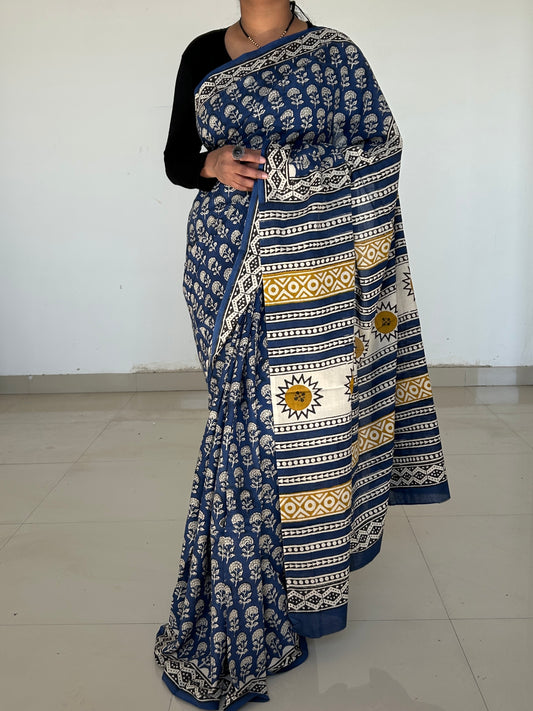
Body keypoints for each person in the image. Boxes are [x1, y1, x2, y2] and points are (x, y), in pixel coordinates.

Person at [154, 2, 451, 709]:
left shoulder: (335, 55)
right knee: (241, 432)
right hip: (226, 264)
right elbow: (176, 161)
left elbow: (380, 148)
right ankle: (247, 594)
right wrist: (208, 163)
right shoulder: (203, 53)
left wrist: (289, 172)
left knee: (295, 432)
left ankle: (285, 589)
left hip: (316, 275)